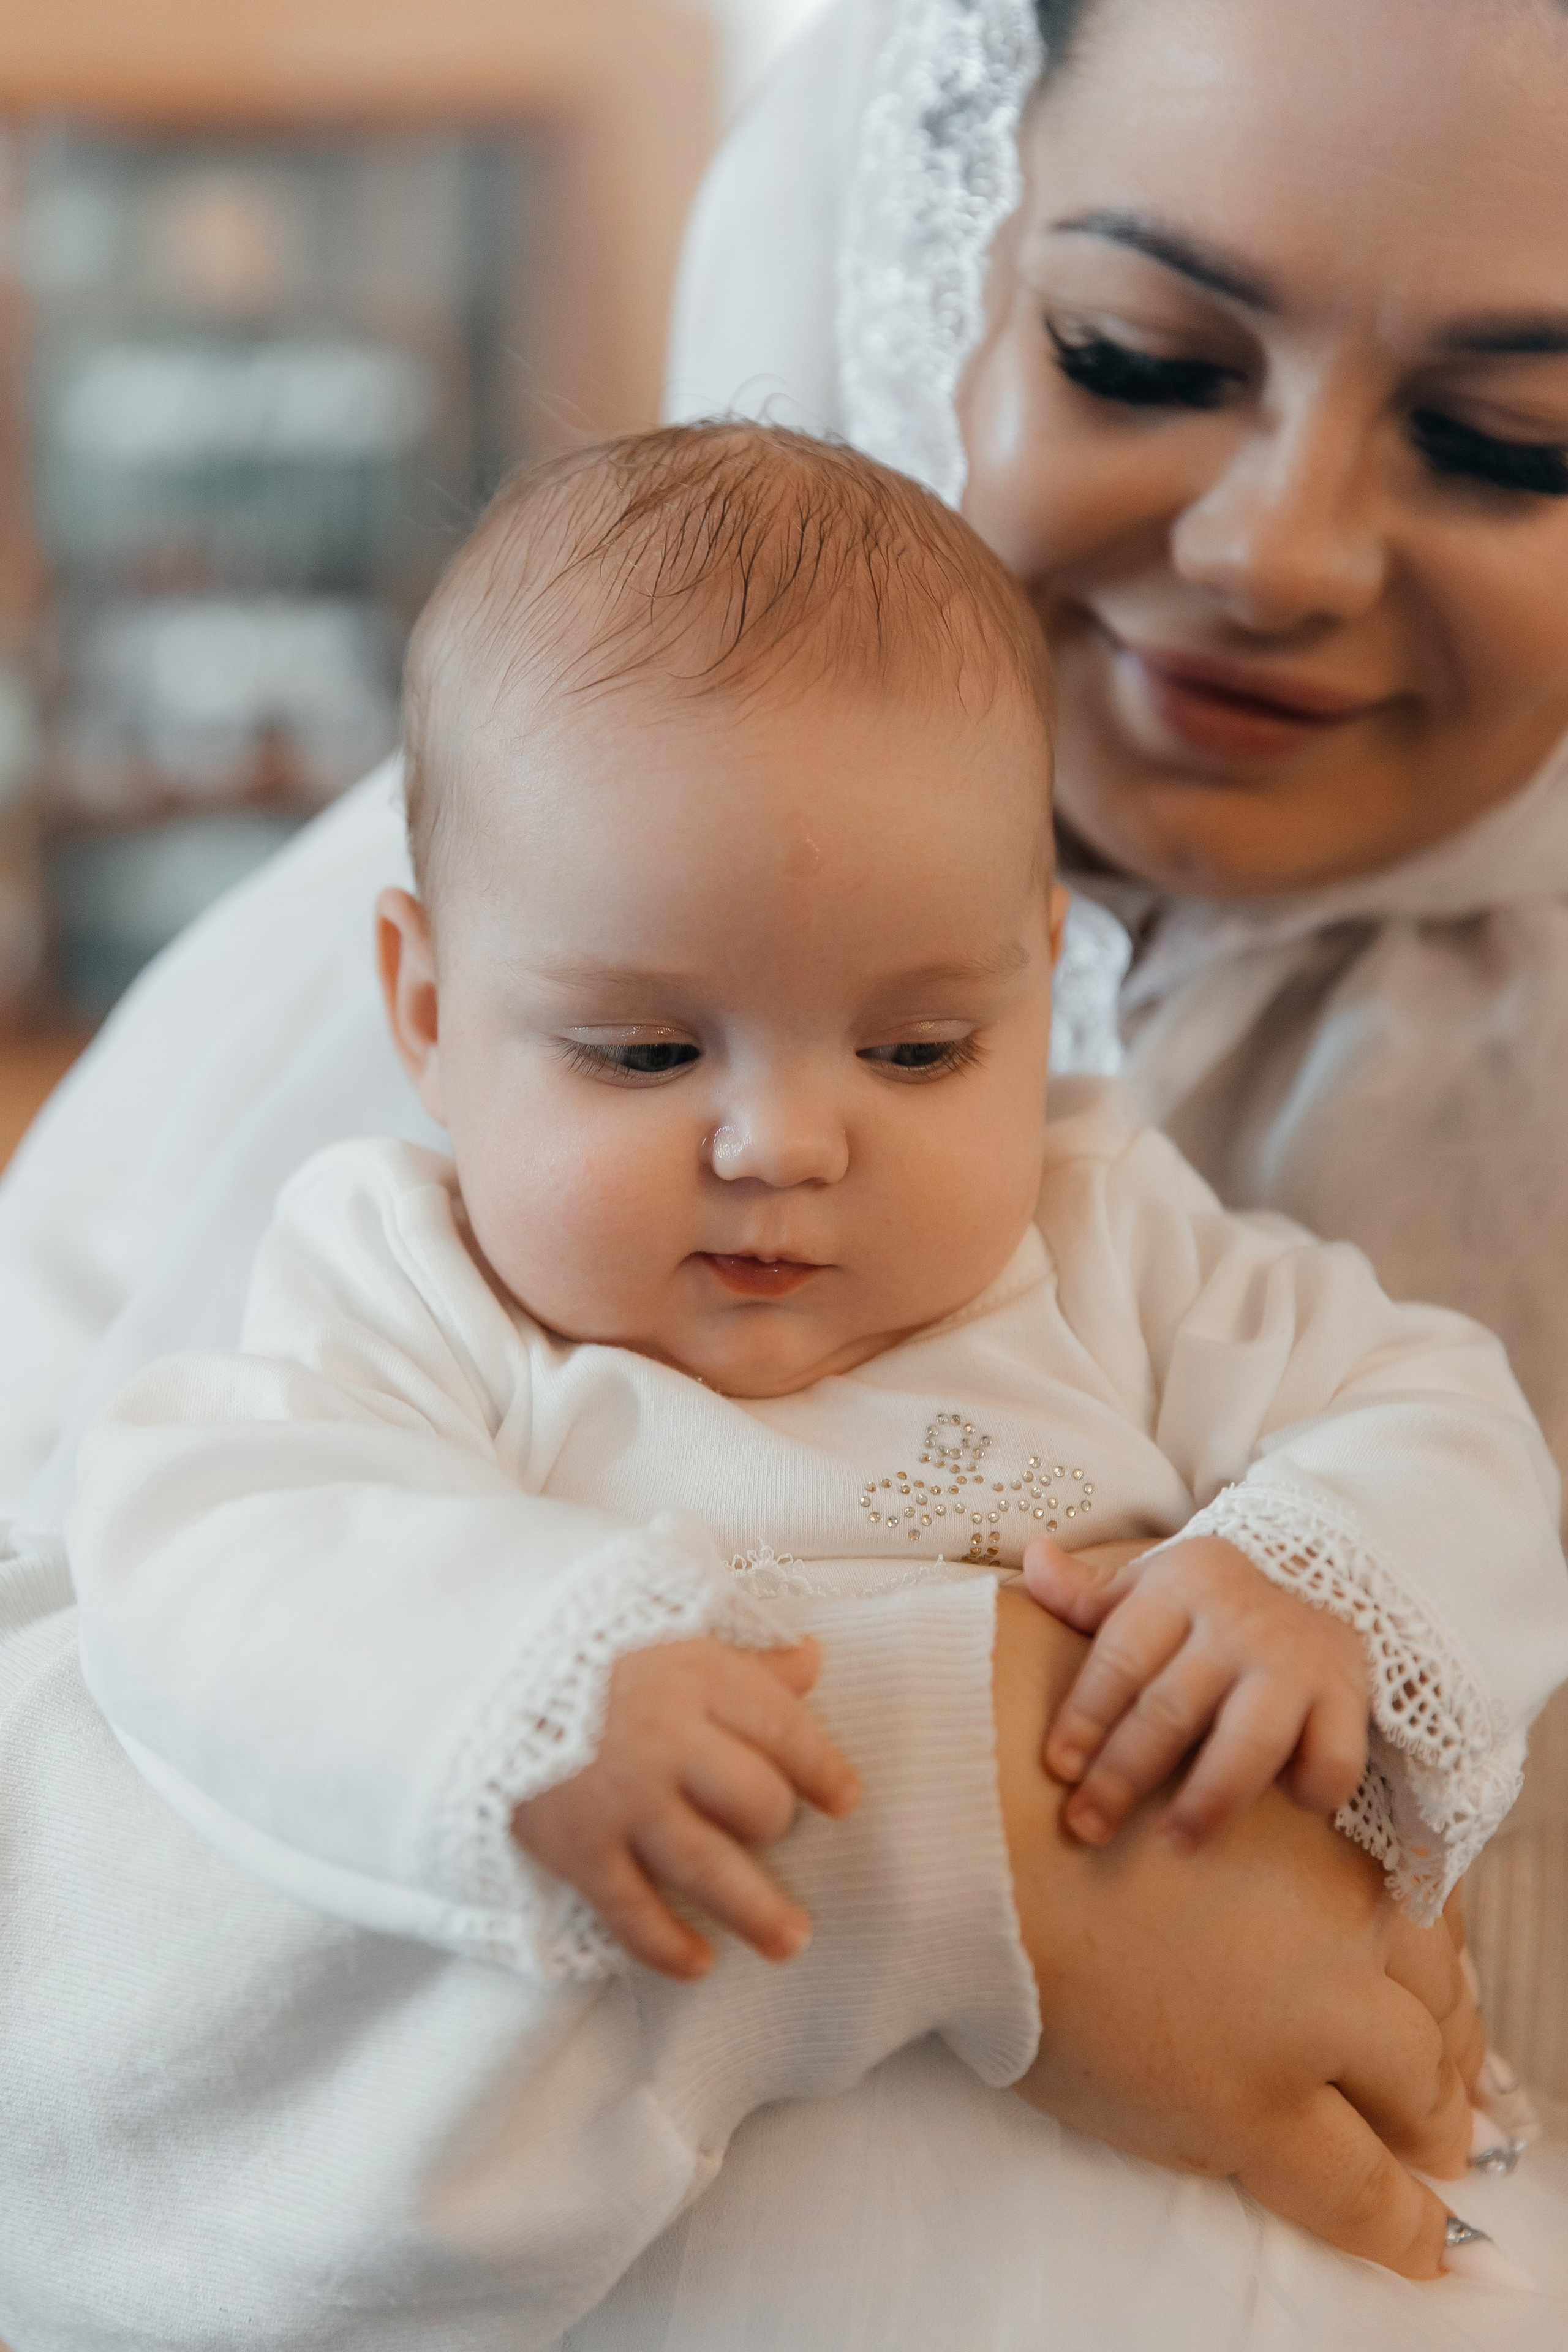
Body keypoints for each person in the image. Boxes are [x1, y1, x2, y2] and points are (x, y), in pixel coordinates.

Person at [1, 0, 1566, 2343]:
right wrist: (948, 1833)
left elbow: (1422, 1414)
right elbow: (197, 1602)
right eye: (1139, 352)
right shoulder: (407, 1143)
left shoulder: (1089, 1196)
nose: (1275, 550)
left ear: (1028, 987)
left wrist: (1322, 1568)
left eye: (1504, 435)